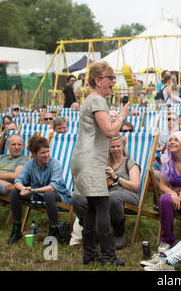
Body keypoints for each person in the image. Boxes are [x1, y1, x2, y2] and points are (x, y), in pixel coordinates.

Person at [70, 61, 130, 266]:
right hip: (90, 160)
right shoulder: (97, 100)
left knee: (94, 208)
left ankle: (89, 253)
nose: (114, 81)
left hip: (84, 159)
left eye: (114, 77)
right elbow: (110, 131)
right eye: (110, 77)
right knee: (102, 204)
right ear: (98, 80)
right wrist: (122, 116)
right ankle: (108, 256)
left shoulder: (90, 100)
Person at [72, 133, 140, 250]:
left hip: (128, 196)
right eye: (112, 147)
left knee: (112, 196)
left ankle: (119, 232)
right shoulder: (104, 163)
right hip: (105, 196)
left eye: (118, 146)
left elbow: (135, 186)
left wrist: (116, 177)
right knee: (77, 198)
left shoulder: (130, 163)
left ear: (123, 145)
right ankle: (94, 230)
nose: (115, 149)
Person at [7, 135, 71, 243]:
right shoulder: (29, 164)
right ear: (34, 154)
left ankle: (53, 231)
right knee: (15, 192)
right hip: (39, 195)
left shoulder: (54, 164)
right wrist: (22, 188)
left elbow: (52, 188)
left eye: (47, 151)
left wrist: (32, 190)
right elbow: (17, 181)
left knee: (48, 194)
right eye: (43, 153)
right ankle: (16, 230)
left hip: (58, 195)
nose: (47, 155)